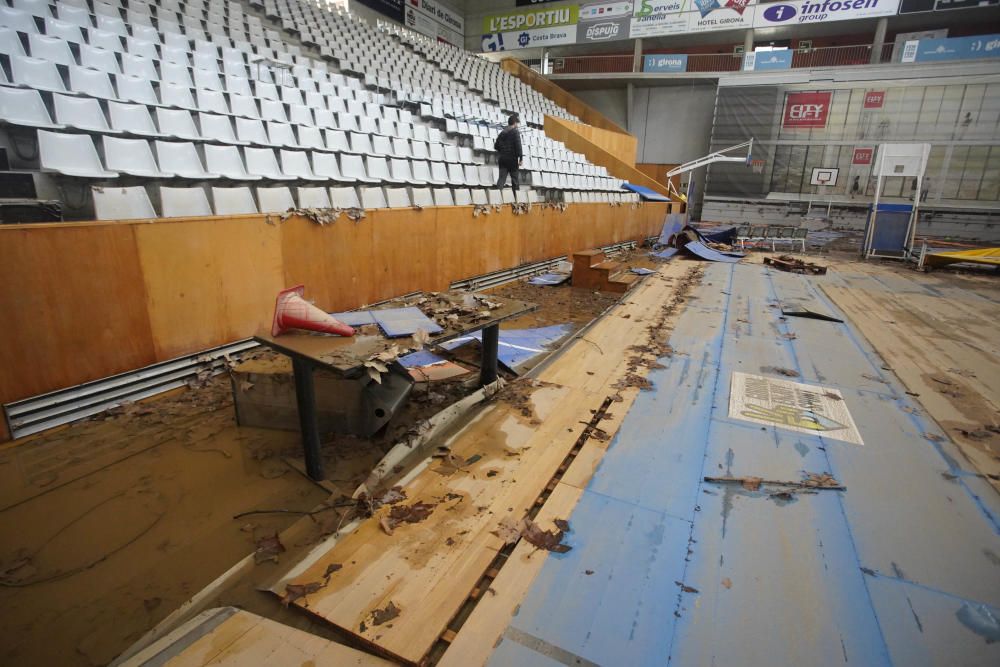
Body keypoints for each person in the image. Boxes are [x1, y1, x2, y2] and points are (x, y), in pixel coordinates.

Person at [494, 115, 523, 201]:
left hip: (502, 159)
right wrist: (520, 158)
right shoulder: (515, 132)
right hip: (512, 160)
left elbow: (496, 146)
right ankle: (516, 200)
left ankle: (496, 200)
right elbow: (518, 146)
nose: (517, 125)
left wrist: (503, 151)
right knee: (515, 181)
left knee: (501, 180)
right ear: (514, 123)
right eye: (517, 123)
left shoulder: (502, 132)